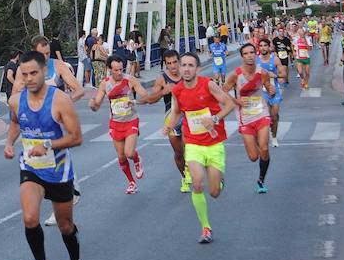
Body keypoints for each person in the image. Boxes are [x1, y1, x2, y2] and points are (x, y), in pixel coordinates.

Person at [4, 50, 84, 260]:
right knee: (29, 218)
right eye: (24, 74)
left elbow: (76, 137)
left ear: (44, 72)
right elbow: (16, 123)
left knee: (65, 225)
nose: (28, 78)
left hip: (58, 171)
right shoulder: (16, 101)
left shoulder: (60, 100)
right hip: (31, 168)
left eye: (33, 73)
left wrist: (48, 145)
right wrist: (9, 143)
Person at [164, 52, 235, 244]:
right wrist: (169, 125)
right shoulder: (177, 90)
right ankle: (206, 227)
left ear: (198, 68)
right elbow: (177, 112)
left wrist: (215, 118)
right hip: (194, 143)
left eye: (190, 65)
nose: (186, 69)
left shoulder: (208, 84)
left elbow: (229, 104)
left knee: (214, 192)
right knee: (196, 182)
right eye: (183, 65)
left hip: (214, 143)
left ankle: (219, 181)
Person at [89, 54, 149, 193]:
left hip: (131, 120)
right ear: (109, 69)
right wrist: (92, 104)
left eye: (121, 69)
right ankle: (131, 182)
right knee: (121, 156)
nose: (119, 73)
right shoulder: (105, 83)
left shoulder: (130, 80)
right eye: (115, 70)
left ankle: (136, 159)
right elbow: (96, 104)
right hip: (115, 122)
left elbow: (145, 96)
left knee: (128, 153)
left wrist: (133, 101)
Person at [223, 43, 274, 193]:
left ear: (256, 54)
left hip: (261, 112)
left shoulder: (262, 72)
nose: (250, 55)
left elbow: (268, 87)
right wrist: (236, 101)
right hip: (245, 117)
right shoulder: (236, 75)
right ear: (242, 56)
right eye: (246, 53)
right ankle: (259, 146)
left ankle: (261, 180)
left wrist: (271, 91)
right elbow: (223, 92)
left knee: (264, 148)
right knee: (253, 156)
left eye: (252, 52)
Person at [147, 49, 191, 192]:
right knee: (178, 153)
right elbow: (151, 99)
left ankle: (190, 169)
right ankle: (184, 176)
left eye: (175, 62)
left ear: (179, 61)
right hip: (171, 116)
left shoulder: (188, 73)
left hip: (188, 114)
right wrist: (163, 92)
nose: (173, 66)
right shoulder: (162, 79)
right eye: (169, 64)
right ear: (165, 65)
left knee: (188, 145)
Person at [256, 38, 282, 148]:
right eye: (261, 46)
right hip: (262, 92)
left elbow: (283, 74)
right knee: (265, 116)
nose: (263, 48)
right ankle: (263, 137)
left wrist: (275, 75)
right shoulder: (256, 60)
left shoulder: (275, 59)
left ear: (269, 46)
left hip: (275, 91)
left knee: (274, 116)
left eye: (265, 45)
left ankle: (274, 137)